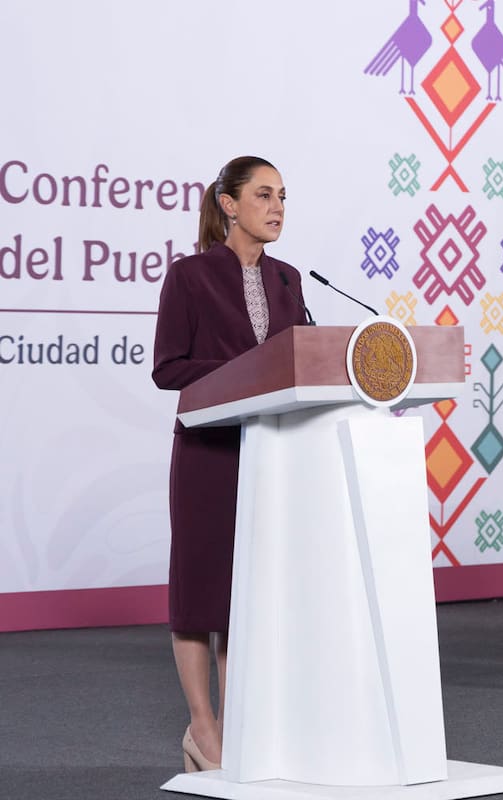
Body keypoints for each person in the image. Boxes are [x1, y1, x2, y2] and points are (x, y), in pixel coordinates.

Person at [152, 156, 308, 771]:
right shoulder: (189, 276)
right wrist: (244, 375)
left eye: (283, 197)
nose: (276, 208)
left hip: (271, 455)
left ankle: (242, 726)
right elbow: (169, 368)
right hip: (209, 455)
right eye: (264, 195)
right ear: (229, 204)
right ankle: (203, 730)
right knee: (201, 596)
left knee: (247, 599)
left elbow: (302, 359)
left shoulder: (290, 278)